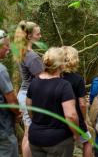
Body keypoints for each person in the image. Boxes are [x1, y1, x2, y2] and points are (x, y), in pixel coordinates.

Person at [26, 47, 79, 157]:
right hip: (58, 141)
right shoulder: (64, 85)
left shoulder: (34, 83)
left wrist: (38, 122)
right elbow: (71, 116)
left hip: (35, 138)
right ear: (61, 65)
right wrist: (76, 133)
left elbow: (29, 107)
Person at [14, 20, 44, 157]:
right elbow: (41, 78)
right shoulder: (31, 56)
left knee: (28, 131)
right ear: (29, 36)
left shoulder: (23, 52)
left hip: (24, 93)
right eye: (38, 34)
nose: (40, 36)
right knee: (30, 132)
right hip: (30, 96)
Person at [61, 46, 92, 157]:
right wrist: (84, 119)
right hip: (75, 117)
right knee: (88, 141)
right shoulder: (77, 79)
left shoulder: (55, 77)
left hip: (58, 118)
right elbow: (82, 104)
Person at [0, 29, 21, 157]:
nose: (9, 49)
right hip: (3, 129)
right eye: (6, 45)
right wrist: (18, 113)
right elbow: (11, 99)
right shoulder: (1, 71)